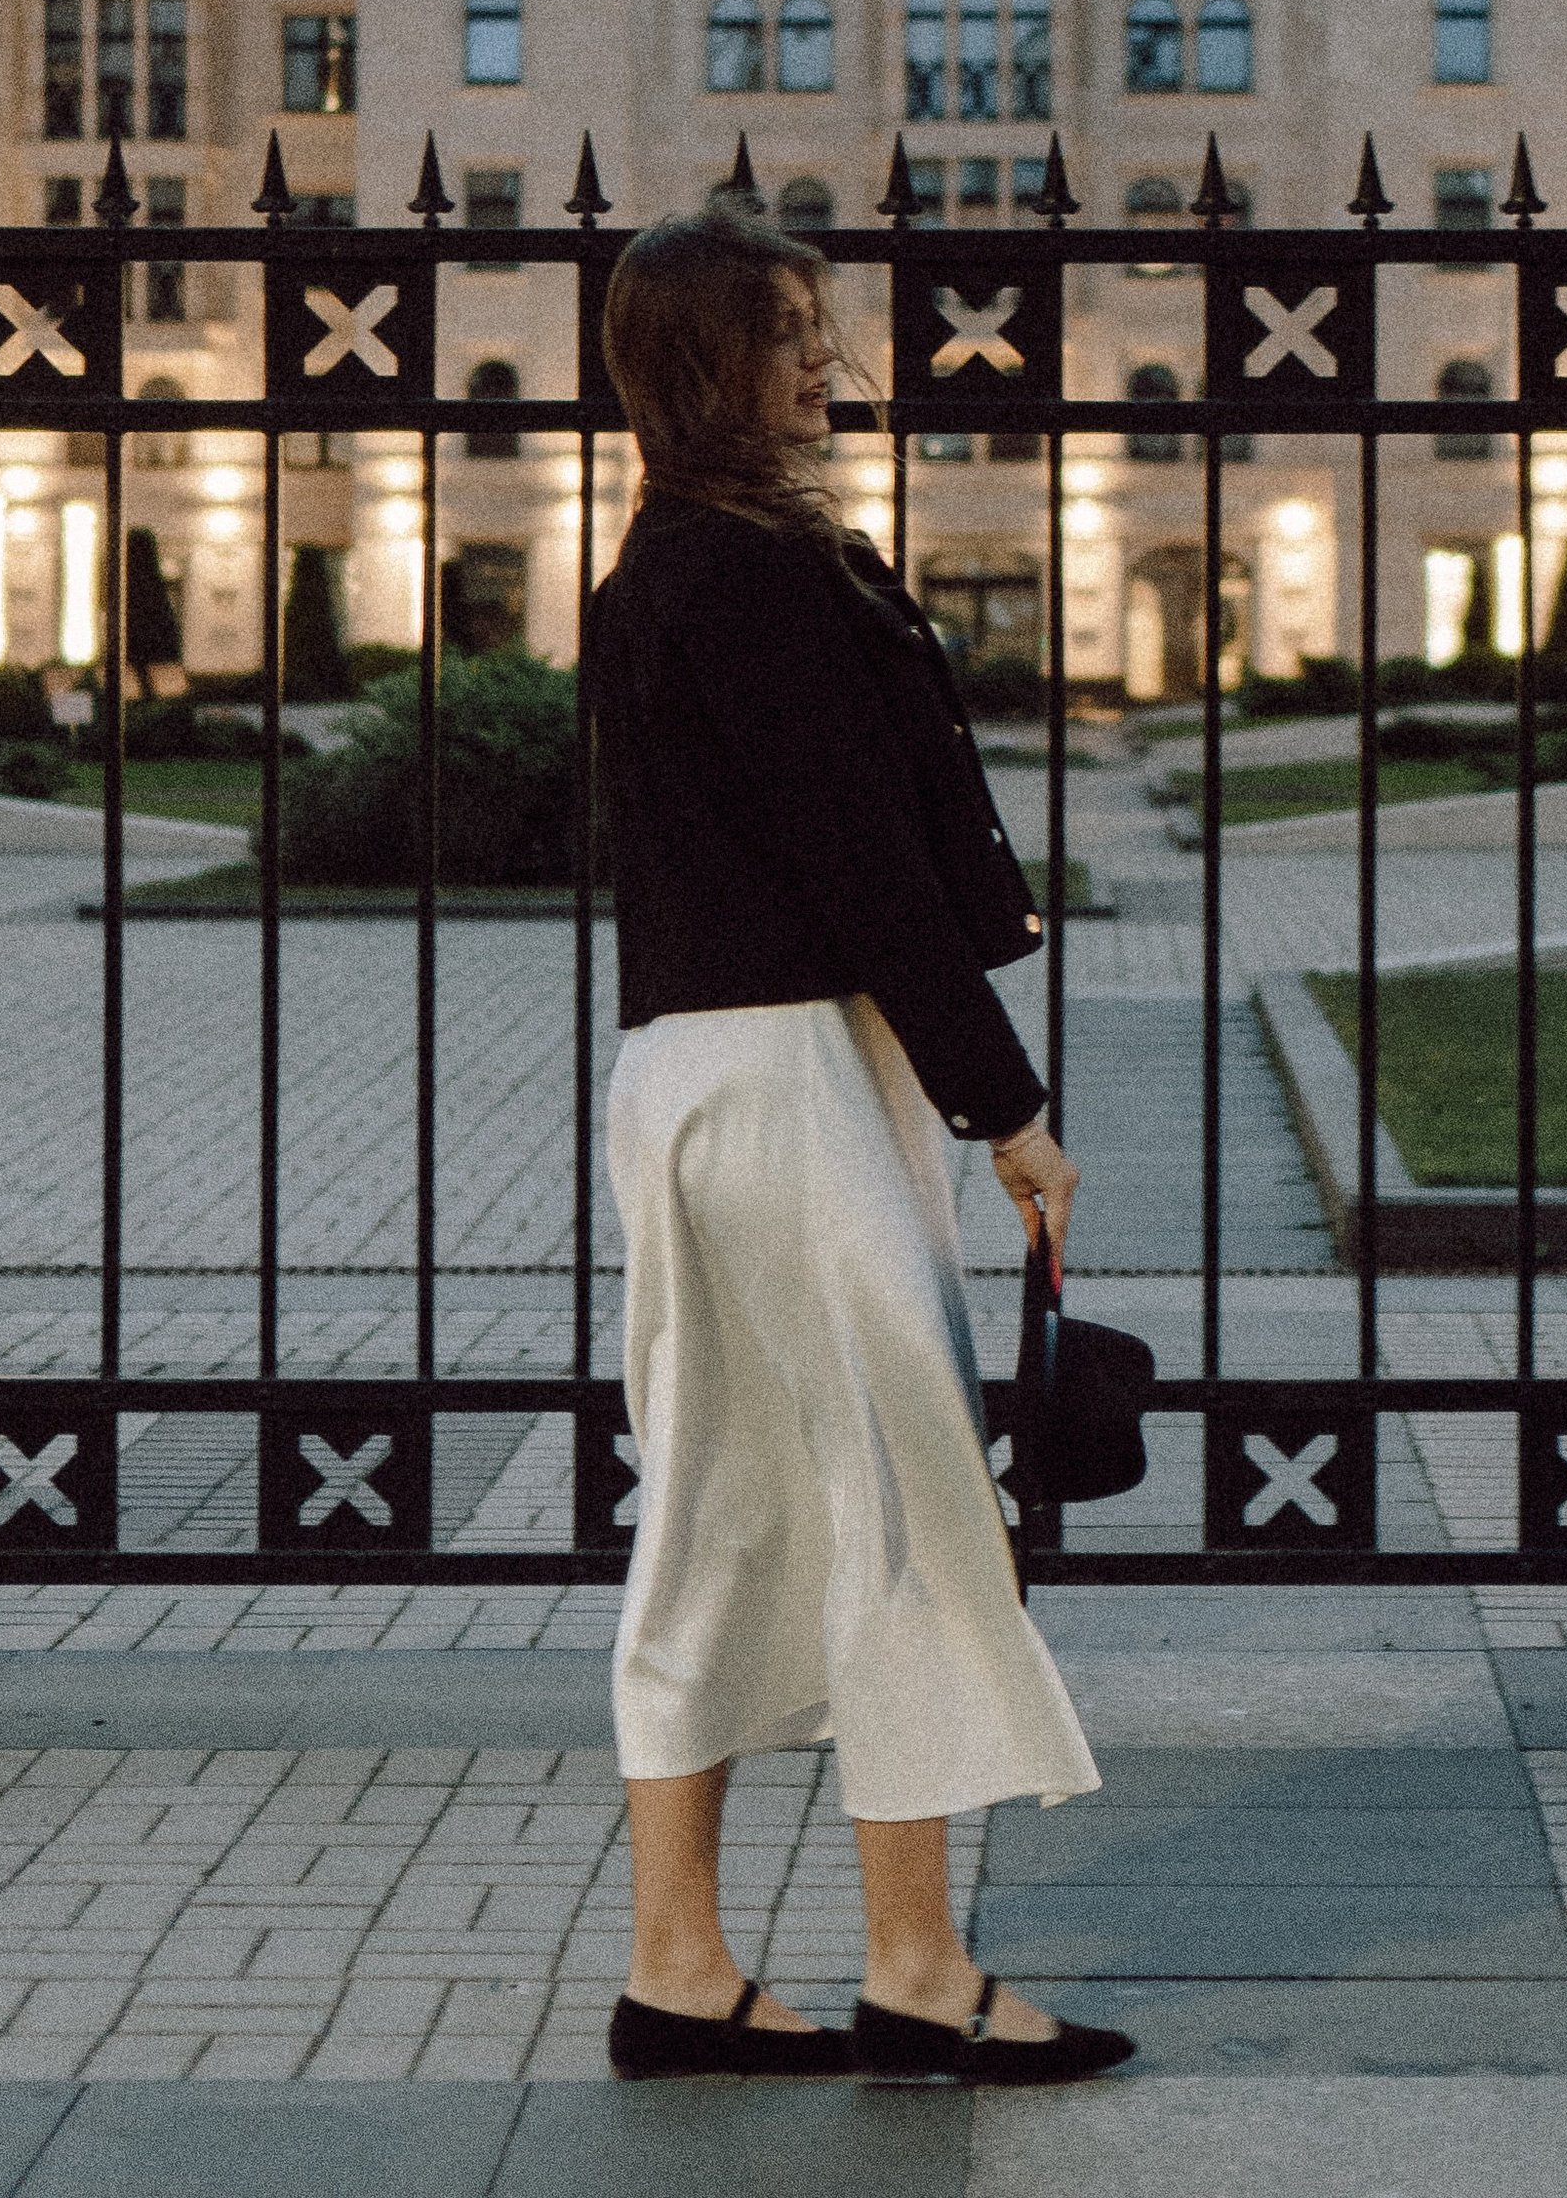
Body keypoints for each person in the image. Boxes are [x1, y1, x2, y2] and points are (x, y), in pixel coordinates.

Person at [589, 203, 1134, 2089]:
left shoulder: (672, 562)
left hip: (708, 1078)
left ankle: (681, 1972)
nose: (825, 361)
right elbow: (865, 869)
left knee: (724, 1511)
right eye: (786, 333)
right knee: (898, 1504)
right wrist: (1011, 1110)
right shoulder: (750, 576)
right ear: (702, 364)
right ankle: (916, 1969)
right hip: (794, 1080)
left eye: (821, 326)